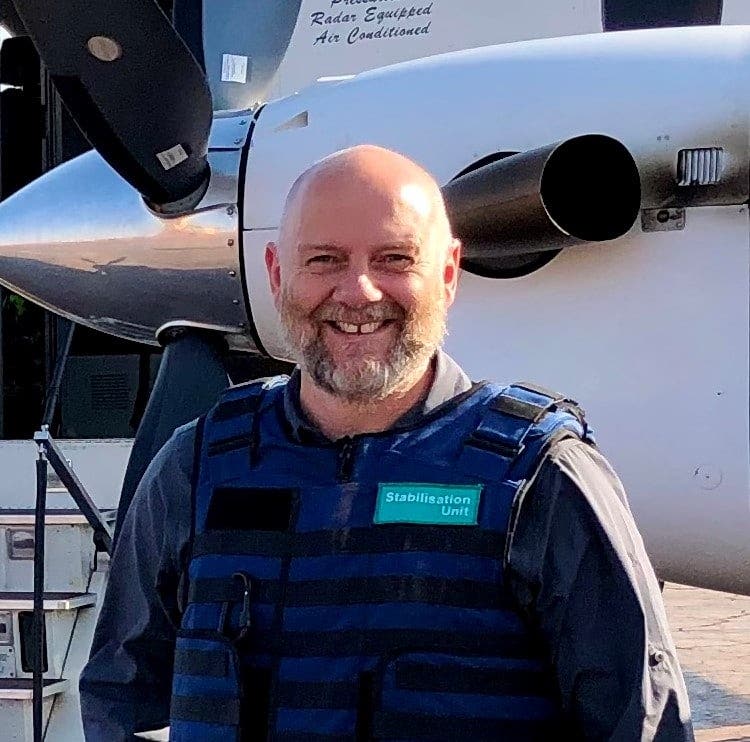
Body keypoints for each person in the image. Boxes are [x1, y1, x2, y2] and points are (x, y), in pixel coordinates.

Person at [80, 145, 694, 740]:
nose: (360, 292)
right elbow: (119, 698)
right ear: (276, 273)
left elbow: (642, 723)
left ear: (447, 274)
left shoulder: (541, 480)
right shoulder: (196, 468)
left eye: (395, 259)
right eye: (324, 259)